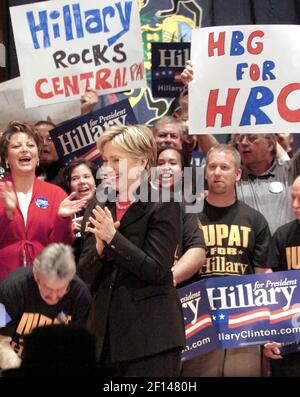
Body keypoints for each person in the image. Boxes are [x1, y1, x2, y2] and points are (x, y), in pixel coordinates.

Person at [77, 125, 185, 377]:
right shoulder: (99, 203)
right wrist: (101, 249)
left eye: (117, 159)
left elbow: (157, 270)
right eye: (105, 160)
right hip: (104, 338)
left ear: (141, 161)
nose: (108, 167)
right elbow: (84, 273)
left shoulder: (164, 203)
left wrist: (113, 239)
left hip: (151, 337)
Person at [182, 144, 273, 377]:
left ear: (238, 174)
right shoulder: (187, 216)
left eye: (224, 167)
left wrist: (271, 328)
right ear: (205, 172)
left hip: (244, 321)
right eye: (212, 166)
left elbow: (263, 276)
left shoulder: (255, 219)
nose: (217, 172)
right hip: (198, 318)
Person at [181, 61, 300, 234]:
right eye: (240, 138)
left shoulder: (290, 170)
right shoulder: (235, 174)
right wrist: (195, 87)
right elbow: (212, 147)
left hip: (287, 255)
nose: (243, 143)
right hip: (248, 258)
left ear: (270, 144)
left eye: (252, 138)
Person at [0, 121, 86, 281]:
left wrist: (62, 219)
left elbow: (61, 247)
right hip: (4, 284)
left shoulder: (55, 194)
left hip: (45, 284)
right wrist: (7, 214)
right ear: (6, 157)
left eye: (30, 145)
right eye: (16, 146)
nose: (25, 149)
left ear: (37, 155)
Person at [0, 243, 92, 370]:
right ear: (36, 276)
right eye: (48, 288)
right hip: (14, 360)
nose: (54, 296)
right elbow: (1, 341)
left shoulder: (80, 296)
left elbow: (78, 347)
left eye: (61, 289)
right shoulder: (10, 290)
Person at [264, 175, 300, 377]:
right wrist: (270, 337)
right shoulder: (283, 235)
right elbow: (270, 295)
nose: (294, 205)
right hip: (291, 344)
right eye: (292, 198)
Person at [155, 145, 206, 286]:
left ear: (183, 172)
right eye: (160, 163)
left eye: (172, 163)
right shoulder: (139, 203)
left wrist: (168, 279)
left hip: (172, 290)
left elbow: (197, 252)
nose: (166, 167)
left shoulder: (187, 206)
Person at [59, 158, 98, 263]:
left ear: (95, 183)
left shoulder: (109, 207)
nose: (82, 182)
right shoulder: (63, 214)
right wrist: (67, 231)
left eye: (87, 176)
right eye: (75, 178)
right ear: (69, 185)